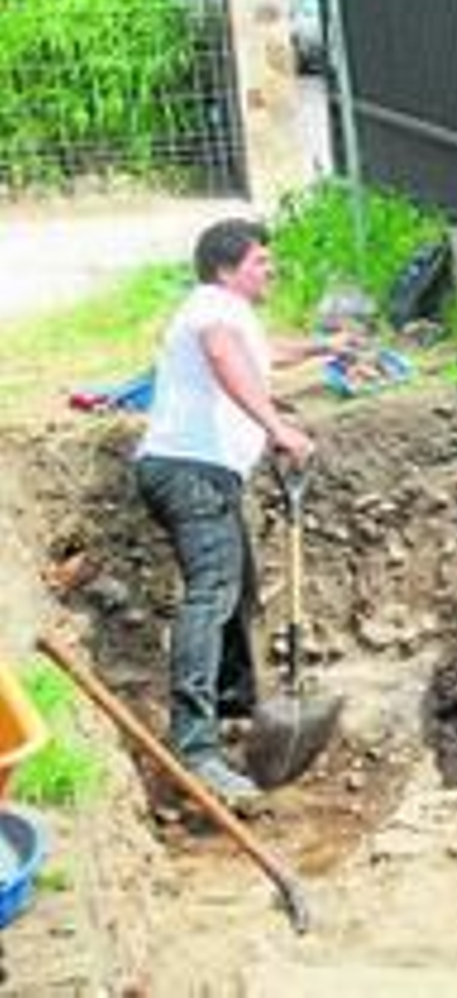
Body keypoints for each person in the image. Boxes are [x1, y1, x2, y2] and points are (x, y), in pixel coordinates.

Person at [133, 218, 343, 803]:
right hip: (188, 471)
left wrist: (325, 345)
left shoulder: (229, 314)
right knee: (213, 592)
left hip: (204, 474)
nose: (270, 270)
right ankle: (195, 748)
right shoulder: (211, 312)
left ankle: (234, 707)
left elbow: (260, 353)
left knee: (239, 587)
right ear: (227, 270)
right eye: (261, 262)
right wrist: (276, 425)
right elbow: (226, 358)